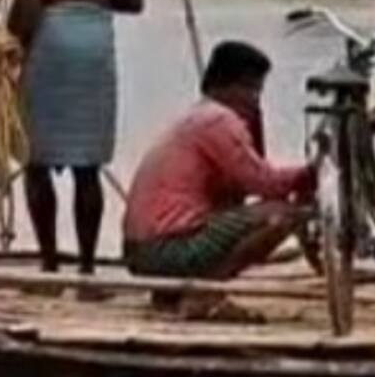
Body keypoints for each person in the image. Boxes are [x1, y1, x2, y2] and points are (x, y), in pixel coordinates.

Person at [7, 0, 144, 278]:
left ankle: (50, 265)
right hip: (96, 37)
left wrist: (7, 55)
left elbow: (27, 2)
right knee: (89, 163)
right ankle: (86, 269)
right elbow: (133, 0)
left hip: (51, 34)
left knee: (35, 159)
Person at [121, 40, 314, 312]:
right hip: (165, 248)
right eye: (250, 89)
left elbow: (241, 187)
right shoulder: (218, 121)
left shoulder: (198, 116)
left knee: (241, 208)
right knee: (281, 216)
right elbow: (263, 182)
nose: (254, 99)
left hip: (141, 250)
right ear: (229, 85)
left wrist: (254, 125)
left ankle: (172, 294)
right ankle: (206, 292)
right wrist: (310, 174)